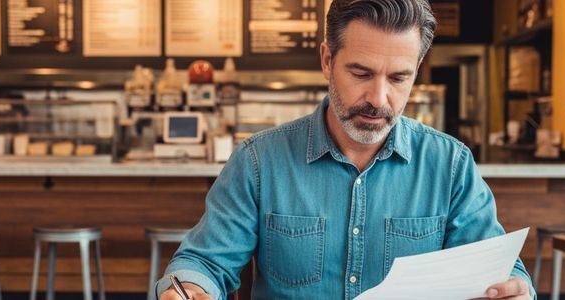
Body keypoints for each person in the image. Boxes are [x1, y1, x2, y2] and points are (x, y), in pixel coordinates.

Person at [157, 0, 535, 299]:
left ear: (417, 69)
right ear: (327, 60)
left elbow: (500, 271)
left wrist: (513, 289)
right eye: (361, 73)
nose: (378, 98)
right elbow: (202, 262)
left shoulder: (449, 165)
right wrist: (189, 289)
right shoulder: (259, 161)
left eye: (399, 78)